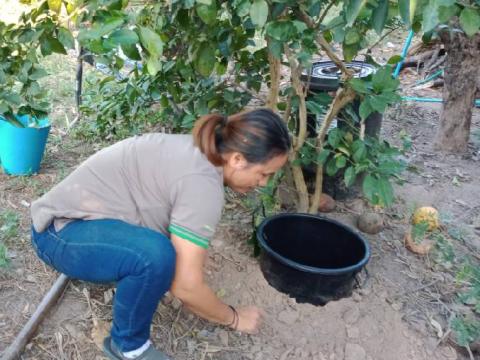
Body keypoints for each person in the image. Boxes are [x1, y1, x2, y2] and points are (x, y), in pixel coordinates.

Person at [30, 108, 291, 360]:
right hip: (59, 235)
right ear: (237, 159)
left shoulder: (199, 153)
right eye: (264, 173)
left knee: (165, 257)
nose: (264, 183)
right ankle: (128, 346)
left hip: (75, 225)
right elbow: (185, 287)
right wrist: (234, 317)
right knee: (154, 256)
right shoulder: (202, 183)